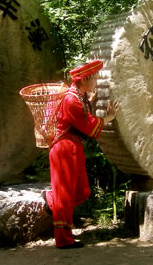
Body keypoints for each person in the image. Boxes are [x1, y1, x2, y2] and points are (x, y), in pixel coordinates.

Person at [42, 59, 119, 249]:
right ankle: (63, 239)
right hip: (64, 149)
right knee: (65, 195)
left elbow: (82, 114)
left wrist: (90, 100)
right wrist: (109, 117)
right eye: (94, 78)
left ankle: (51, 200)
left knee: (82, 191)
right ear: (84, 80)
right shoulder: (71, 100)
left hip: (73, 148)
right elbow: (88, 126)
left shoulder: (78, 96)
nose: (96, 82)